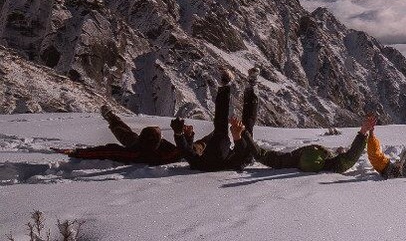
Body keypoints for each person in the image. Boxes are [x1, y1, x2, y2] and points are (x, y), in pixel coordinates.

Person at [170, 68, 258, 172]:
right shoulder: (230, 163)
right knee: (244, 129)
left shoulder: (203, 163)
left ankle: (241, 86)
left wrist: (179, 134)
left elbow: (186, 151)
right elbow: (242, 153)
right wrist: (238, 136)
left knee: (226, 125)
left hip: (226, 153)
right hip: (242, 155)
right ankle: (247, 87)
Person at [53, 105, 181, 166]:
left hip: (136, 145)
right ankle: (112, 118)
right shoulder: (165, 153)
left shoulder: (135, 152)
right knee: (127, 135)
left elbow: (107, 151)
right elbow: (183, 151)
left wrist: (77, 152)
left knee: (126, 135)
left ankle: (111, 118)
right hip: (140, 145)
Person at [251, 126, 366, 173]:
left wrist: (244, 135)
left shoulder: (290, 160)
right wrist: (362, 133)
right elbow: (350, 158)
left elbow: (263, 156)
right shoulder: (331, 164)